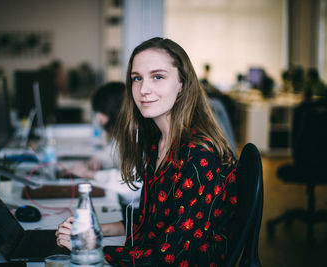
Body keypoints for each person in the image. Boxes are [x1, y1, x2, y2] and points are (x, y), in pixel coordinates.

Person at [56, 37, 237, 266]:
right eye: (137, 78)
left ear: (182, 83)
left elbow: (171, 257)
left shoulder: (200, 156)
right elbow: (148, 224)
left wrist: (89, 249)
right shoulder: (158, 143)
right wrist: (90, 231)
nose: (143, 89)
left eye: (158, 77)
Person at [67, 81, 141, 225]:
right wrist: (98, 160)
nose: (98, 118)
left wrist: (91, 174)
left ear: (115, 109)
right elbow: (112, 151)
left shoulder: (138, 134)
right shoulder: (125, 132)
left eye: (101, 112)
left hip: (136, 214)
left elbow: (131, 187)